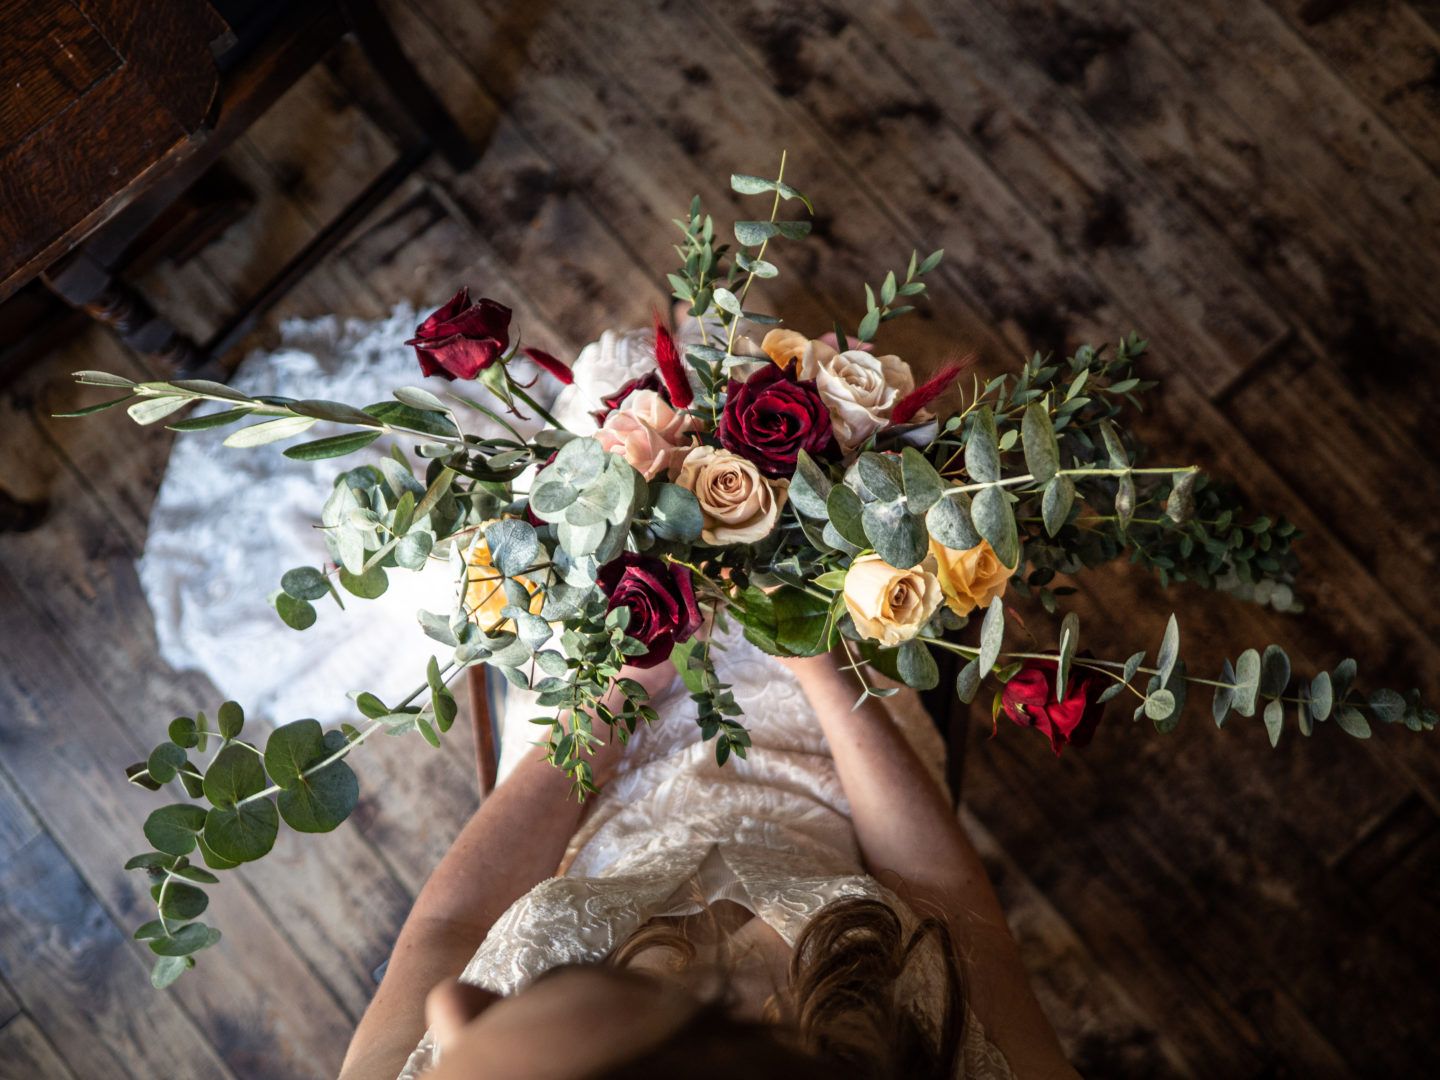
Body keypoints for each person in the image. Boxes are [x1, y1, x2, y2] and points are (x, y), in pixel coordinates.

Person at [336, 615, 1082, 1080]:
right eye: (498, 1020)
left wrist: (613, 703)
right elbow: (951, 906)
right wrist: (822, 673)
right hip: (840, 792)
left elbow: (451, 931)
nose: (450, 1004)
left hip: (583, 784)